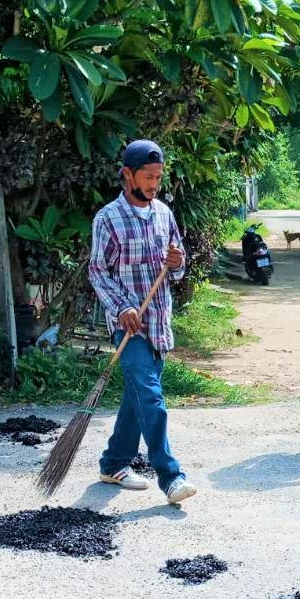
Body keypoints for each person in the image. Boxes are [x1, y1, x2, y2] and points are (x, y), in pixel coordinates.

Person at [87, 139, 197, 505]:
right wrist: (121, 307)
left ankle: (114, 463)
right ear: (128, 175)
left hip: (159, 322)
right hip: (129, 327)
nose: (154, 184)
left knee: (137, 398)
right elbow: (98, 272)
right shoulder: (108, 218)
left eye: (158, 177)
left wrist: (178, 261)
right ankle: (171, 476)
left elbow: (178, 267)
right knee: (151, 399)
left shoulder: (164, 213)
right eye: (148, 177)